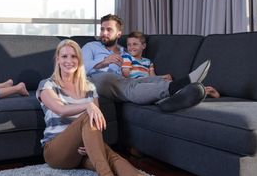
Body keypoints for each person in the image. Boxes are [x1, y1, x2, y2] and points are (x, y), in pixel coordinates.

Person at [37, 39, 175, 176]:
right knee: (89, 113)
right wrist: (87, 106)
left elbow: (96, 121)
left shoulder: (89, 87)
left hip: (82, 151)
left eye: (73, 56)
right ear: (57, 59)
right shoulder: (47, 85)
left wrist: (89, 144)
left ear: (79, 60)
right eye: (64, 56)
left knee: (112, 157)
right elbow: (61, 110)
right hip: (57, 151)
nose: (69, 60)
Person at [82, 14, 210, 112]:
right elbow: (82, 68)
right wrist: (104, 62)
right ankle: (177, 87)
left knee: (141, 82)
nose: (104, 33)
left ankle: (179, 95)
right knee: (119, 82)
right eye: (102, 29)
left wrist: (159, 78)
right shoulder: (91, 46)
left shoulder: (126, 52)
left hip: (124, 81)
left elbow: (136, 74)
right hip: (98, 80)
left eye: (109, 30)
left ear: (119, 33)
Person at [122, 31, 220, 98]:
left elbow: (153, 77)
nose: (131, 47)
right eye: (129, 44)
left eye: (135, 44)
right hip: (136, 84)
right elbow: (126, 74)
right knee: (161, 87)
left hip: (149, 82)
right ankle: (196, 90)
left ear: (143, 46)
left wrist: (162, 77)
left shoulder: (148, 62)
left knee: (165, 82)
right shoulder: (127, 57)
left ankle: (202, 90)